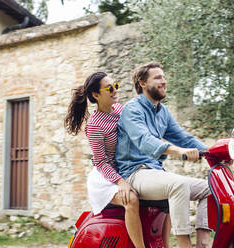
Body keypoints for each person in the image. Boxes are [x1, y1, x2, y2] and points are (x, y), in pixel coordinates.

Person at [65, 72, 169, 248]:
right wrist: (121, 183)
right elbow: (101, 162)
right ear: (96, 95)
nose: (115, 91)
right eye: (110, 88)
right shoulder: (94, 126)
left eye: (116, 86)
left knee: (168, 192)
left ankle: (165, 245)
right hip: (106, 177)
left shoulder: (121, 110)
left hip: (128, 167)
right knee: (131, 199)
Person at [115, 62, 212, 248]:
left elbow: (183, 137)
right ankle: (185, 245)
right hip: (135, 173)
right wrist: (178, 151)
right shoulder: (132, 109)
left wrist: (211, 152)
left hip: (155, 172)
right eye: (158, 77)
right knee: (179, 184)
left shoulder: (162, 111)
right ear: (142, 83)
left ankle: (203, 243)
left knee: (210, 188)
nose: (164, 81)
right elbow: (144, 141)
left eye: (164, 77)